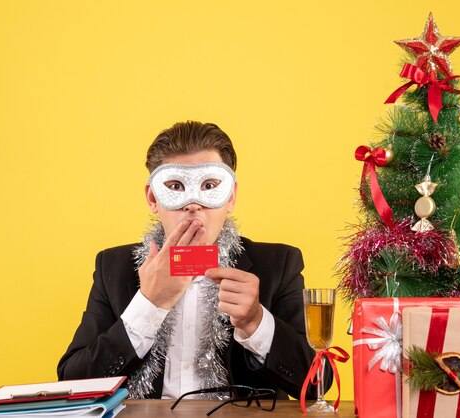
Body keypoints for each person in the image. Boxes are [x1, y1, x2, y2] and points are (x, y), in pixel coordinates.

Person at [57, 121, 331, 400]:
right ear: (153, 198)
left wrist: (256, 322)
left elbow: (317, 384)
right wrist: (149, 304)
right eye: (175, 186)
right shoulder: (112, 267)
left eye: (210, 185)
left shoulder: (278, 264)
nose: (193, 204)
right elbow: (73, 382)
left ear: (231, 197)